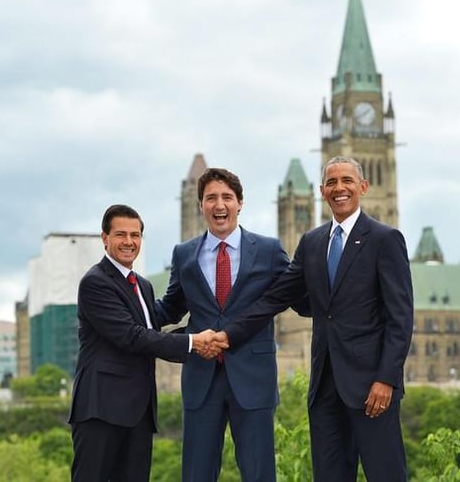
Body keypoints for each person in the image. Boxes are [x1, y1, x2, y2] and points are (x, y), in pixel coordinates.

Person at [219, 156, 414, 481]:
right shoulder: (311, 243)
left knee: (386, 474)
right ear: (322, 191)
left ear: (362, 187)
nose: (340, 188)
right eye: (332, 183)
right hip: (325, 386)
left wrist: (387, 379)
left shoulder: (384, 239)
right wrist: (227, 334)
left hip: (372, 388)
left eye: (347, 181)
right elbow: (278, 296)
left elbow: (401, 317)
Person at [155, 167, 304, 482]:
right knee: (196, 473)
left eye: (226, 197)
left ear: (240, 203)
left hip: (253, 380)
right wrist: (129, 311)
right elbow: (171, 307)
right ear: (201, 206)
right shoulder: (184, 255)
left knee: (259, 472)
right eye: (211, 198)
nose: (219, 205)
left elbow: (294, 295)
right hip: (201, 380)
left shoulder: (268, 249)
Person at [69, 204, 227, 482]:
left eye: (135, 235)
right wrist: (194, 342)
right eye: (120, 235)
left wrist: (197, 290)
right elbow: (133, 336)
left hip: (139, 413)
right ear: (104, 238)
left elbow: (155, 320)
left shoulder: (141, 285)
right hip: (101, 411)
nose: (129, 242)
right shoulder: (95, 283)